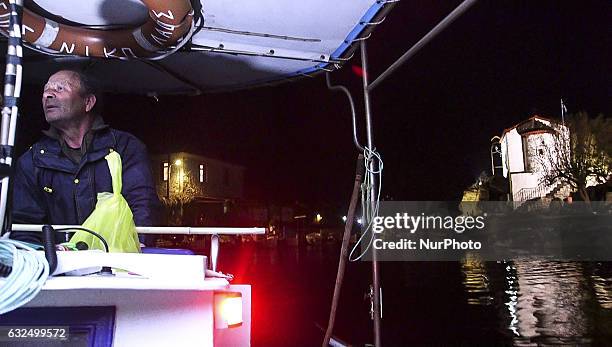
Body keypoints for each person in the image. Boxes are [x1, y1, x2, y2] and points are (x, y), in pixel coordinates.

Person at [10, 69, 160, 244]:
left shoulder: (125, 148)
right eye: (45, 90)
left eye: (60, 88)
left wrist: (136, 250)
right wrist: (40, 260)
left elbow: (143, 205)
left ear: (88, 102)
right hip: (57, 265)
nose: (48, 95)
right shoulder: (32, 159)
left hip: (116, 263)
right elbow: (24, 223)